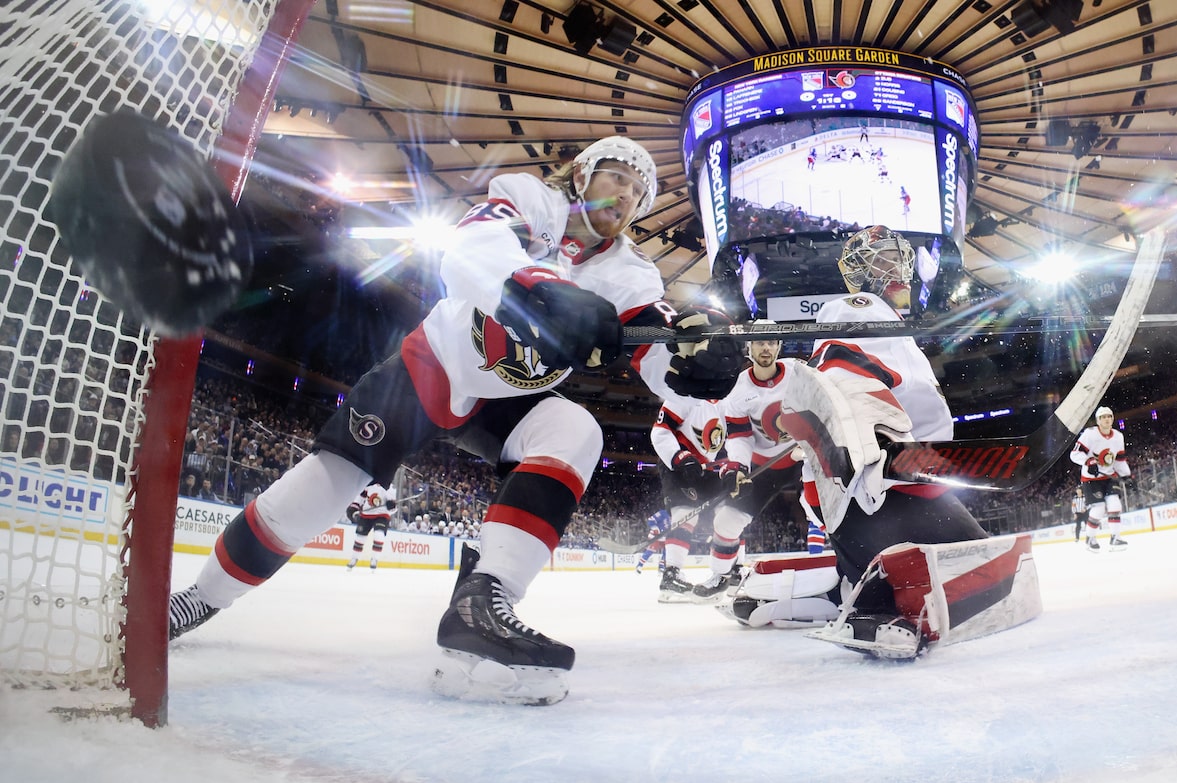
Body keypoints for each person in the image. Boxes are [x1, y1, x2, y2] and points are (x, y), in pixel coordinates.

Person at [164, 136, 744, 705]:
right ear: (583, 174)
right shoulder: (529, 199)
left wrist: (695, 371)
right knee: (323, 485)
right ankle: (199, 598)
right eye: (618, 176)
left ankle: (483, 602)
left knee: (577, 432)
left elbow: (658, 354)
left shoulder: (630, 274)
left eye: (639, 192)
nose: (627, 194)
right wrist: (540, 288)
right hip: (436, 364)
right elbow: (470, 249)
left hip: (513, 401)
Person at [775, 225, 1001, 658]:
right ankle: (865, 604)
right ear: (858, 272)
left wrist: (934, 463)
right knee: (899, 589)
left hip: (906, 477)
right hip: (862, 479)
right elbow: (839, 369)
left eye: (901, 259)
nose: (898, 268)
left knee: (972, 566)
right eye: (882, 258)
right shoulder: (855, 307)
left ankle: (839, 585)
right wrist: (875, 430)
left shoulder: (897, 328)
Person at [689, 323, 812, 602]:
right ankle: (722, 575)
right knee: (727, 521)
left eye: (771, 342)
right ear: (749, 347)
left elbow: (820, 409)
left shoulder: (798, 373)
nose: (765, 348)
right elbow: (740, 434)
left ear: (779, 346)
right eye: (759, 343)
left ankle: (842, 566)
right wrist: (738, 468)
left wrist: (810, 444)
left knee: (822, 511)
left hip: (804, 456)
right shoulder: (738, 387)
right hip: (764, 466)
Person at [649, 395, 733, 602]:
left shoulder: (729, 402)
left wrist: (733, 465)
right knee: (685, 514)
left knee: (731, 512)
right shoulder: (684, 396)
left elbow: (736, 439)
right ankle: (671, 576)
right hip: (679, 467)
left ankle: (729, 572)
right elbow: (660, 431)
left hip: (709, 469)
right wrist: (680, 457)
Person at [1069, 406, 1132, 551]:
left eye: (1109, 416)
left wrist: (1127, 476)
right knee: (1099, 509)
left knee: (1115, 505)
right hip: (1091, 479)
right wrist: (1088, 462)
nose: (1107, 419)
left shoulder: (1118, 436)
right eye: (1103, 417)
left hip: (1109, 477)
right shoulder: (1089, 434)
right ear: (1098, 420)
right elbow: (1074, 454)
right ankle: (1090, 539)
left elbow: (1119, 460)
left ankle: (1115, 538)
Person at [346, 482, 398, 570]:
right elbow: (360, 497)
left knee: (379, 535)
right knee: (360, 537)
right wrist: (354, 507)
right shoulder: (368, 484)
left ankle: (375, 558)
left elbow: (393, 508)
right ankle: (354, 558)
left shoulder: (390, 488)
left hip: (382, 515)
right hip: (366, 514)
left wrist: (391, 506)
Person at [635, 509, 670, 574]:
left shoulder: (674, 515)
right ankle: (639, 566)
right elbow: (651, 520)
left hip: (665, 537)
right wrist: (656, 529)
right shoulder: (662, 513)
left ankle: (661, 567)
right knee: (650, 551)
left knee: (667, 551)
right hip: (655, 536)